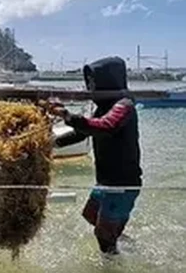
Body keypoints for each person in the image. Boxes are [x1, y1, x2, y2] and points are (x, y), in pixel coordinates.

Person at [52, 56, 141, 255]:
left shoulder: (124, 105)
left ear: (107, 80)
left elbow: (107, 126)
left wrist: (68, 116)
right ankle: (121, 240)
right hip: (106, 180)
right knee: (90, 215)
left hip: (122, 183)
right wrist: (53, 143)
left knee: (103, 235)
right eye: (89, 82)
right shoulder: (102, 108)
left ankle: (113, 269)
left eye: (94, 82)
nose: (90, 87)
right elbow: (83, 132)